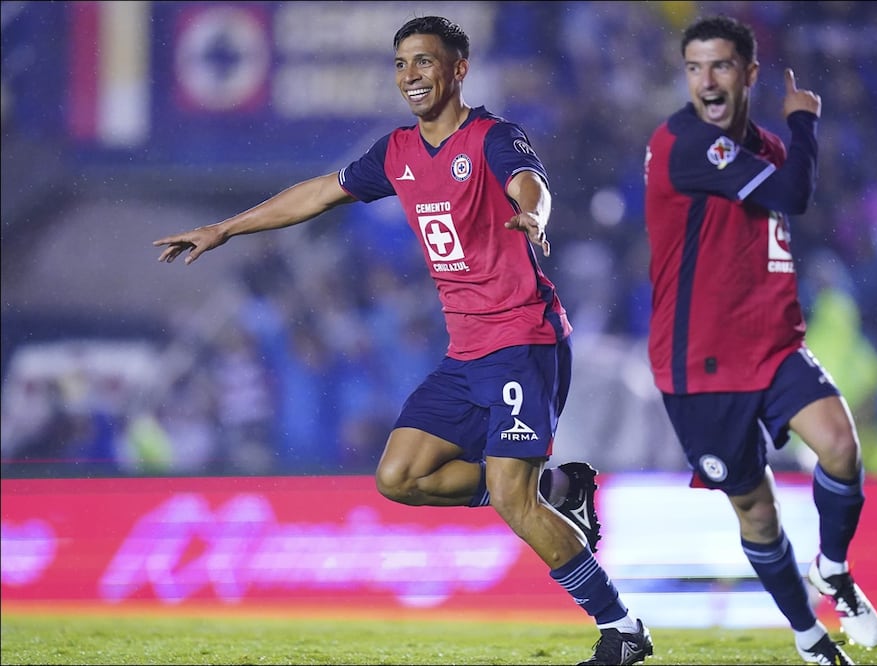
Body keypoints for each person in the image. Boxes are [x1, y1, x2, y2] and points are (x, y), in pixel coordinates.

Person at [154, 15, 652, 665]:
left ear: (458, 69)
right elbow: (319, 193)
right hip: (465, 350)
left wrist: (532, 212)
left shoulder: (493, 137)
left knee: (508, 495)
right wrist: (226, 228)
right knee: (400, 475)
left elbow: (529, 182)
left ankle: (621, 628)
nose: (410, 76)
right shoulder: (395, 154)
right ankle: (561, 491)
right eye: (400, 64)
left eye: (424, 62)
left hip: (521, 337)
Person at [642, 15, 877, 665]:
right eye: (694, 68)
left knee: (838, 444)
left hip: (771, 343)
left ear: (748, 74)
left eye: (720, 66)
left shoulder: (762, 148)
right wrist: (805, 121)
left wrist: (793, 132)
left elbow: (784, 195)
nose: (706, 81)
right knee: (756, 512)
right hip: (698, 365)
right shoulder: (682, 142)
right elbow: (794, 194)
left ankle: (831, 568)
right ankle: (808, 637)